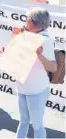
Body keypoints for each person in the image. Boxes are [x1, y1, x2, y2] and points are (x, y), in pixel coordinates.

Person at [15, 8, 57, 139]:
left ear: (34, 22)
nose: (26, 21)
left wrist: (40, 56)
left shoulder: (45, 41)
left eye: (28, 19)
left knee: (37, 126)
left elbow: (53, 68)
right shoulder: (25, 35)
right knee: (23, 122)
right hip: (22, 87)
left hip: (37, 91)